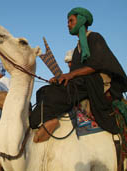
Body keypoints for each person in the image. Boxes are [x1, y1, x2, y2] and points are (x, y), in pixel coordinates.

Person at [30, 7, 127, 143]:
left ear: (81, 21)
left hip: (96, 83)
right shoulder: (77, 49)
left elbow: (96, 64)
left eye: (71, 21)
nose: (68, 24)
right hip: (82, 82)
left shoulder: (94, 37)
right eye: (68, 21)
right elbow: (75, 73)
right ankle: (45, 120)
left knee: (54, 94)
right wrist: (59, 78)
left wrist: (70, 75)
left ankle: (50, 120)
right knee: (44, 91)